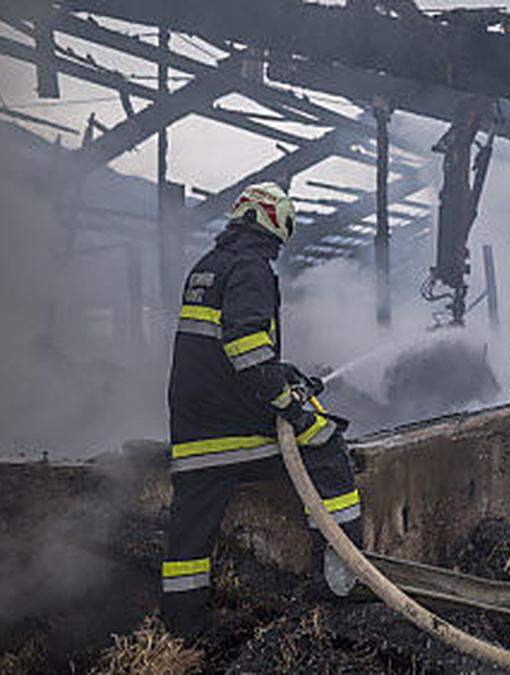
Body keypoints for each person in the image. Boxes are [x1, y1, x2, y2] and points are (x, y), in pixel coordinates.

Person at [162, 182, 363, 639]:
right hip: (234, 427)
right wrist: (295, 411)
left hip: (193, 435)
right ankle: (342, 578)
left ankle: (182, 633)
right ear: (275, 220)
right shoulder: (250, 268)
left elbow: (222, 350)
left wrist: (283, 371)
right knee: (327, 447)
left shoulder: (207, 267)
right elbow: (247, 349)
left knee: (188, 537)